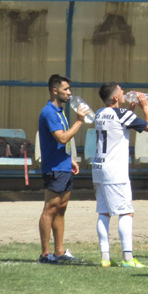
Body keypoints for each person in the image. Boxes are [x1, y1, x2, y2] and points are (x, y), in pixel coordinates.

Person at [92, 83, 148, 268]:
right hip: (115, 171)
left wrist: (130, 111)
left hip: (99, 167)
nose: (124, 93)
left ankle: (105, 257)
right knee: (126, 212)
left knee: (103, 212)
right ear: (114, 98)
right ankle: (127, 258)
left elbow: (118, 125)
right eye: (121, 91)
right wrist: (145, 107)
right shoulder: (122, 114)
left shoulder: (99, 113)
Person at [37, 74, 89, 264]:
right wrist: (79, 121)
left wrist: (71, 159)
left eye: (69, 89)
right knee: (50, 209)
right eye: (66, 89)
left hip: (64, 166)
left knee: (61, 209)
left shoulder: (60, 112)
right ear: (55, 90)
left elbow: (63, 143)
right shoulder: (49, 112)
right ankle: (45, 254)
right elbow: (62, 137)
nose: (69, 93)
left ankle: (59, 251)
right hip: (54, 168)